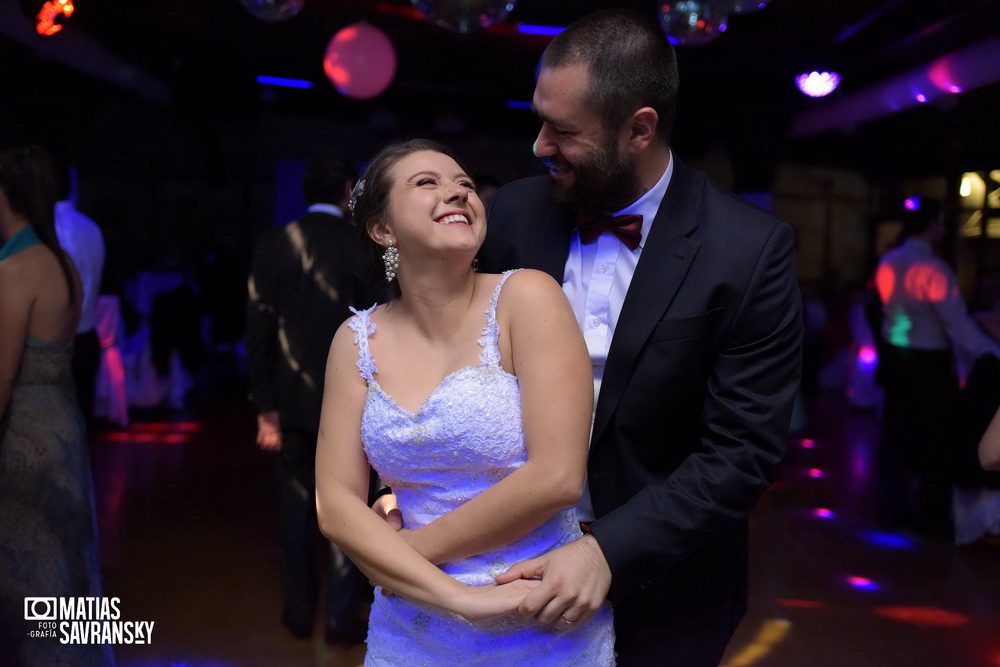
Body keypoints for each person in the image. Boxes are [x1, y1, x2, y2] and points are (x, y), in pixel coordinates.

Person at [473, 10, 803, 666]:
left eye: (563, 130)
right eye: (540, 120)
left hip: (668, 588)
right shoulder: (511, 213)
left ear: (639, 129)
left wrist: (608, 549)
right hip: (504, 565)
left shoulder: (748, 251)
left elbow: (742, 451)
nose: (540, 145)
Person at [315, 138, 615, 664]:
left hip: (536, 600)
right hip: (411, 619)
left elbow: (557, 476)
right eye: (427, 183)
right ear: (383, 229)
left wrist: (400, 554)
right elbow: (336, 502)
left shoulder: (527, 297)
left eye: (466, 186)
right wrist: (458, 597)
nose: (457, 194)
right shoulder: (355, 340)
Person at [246, 149, 376, 645]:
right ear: (348, 191)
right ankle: (342, 620)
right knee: (351, 509)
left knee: (296, 506)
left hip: (292, 403)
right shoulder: (361, 248)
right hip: (354, 405)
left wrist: (265, 409)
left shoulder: (273, 244)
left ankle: (299, 614)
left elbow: (256, 332)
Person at [0, 146, 112, 665]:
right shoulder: (60, 259)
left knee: (27, 567)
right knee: (66, 559)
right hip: (62, 425)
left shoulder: (17, 268)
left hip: (25, 435)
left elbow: (2, 376)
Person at [874, 195, 1000, 533]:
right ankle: (931, 515)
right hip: (927, 364)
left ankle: (893, 506)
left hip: (895, 357)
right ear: (933, 225)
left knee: (894, 435)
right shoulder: (933, 268)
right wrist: (991, 351)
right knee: (936, 437)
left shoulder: (889, 261)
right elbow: (955, 324)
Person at [53, 156, 106, 426]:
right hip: (87, 338)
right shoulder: (91, 227)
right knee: (80, 425)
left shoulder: (52, 229)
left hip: (61, 341)